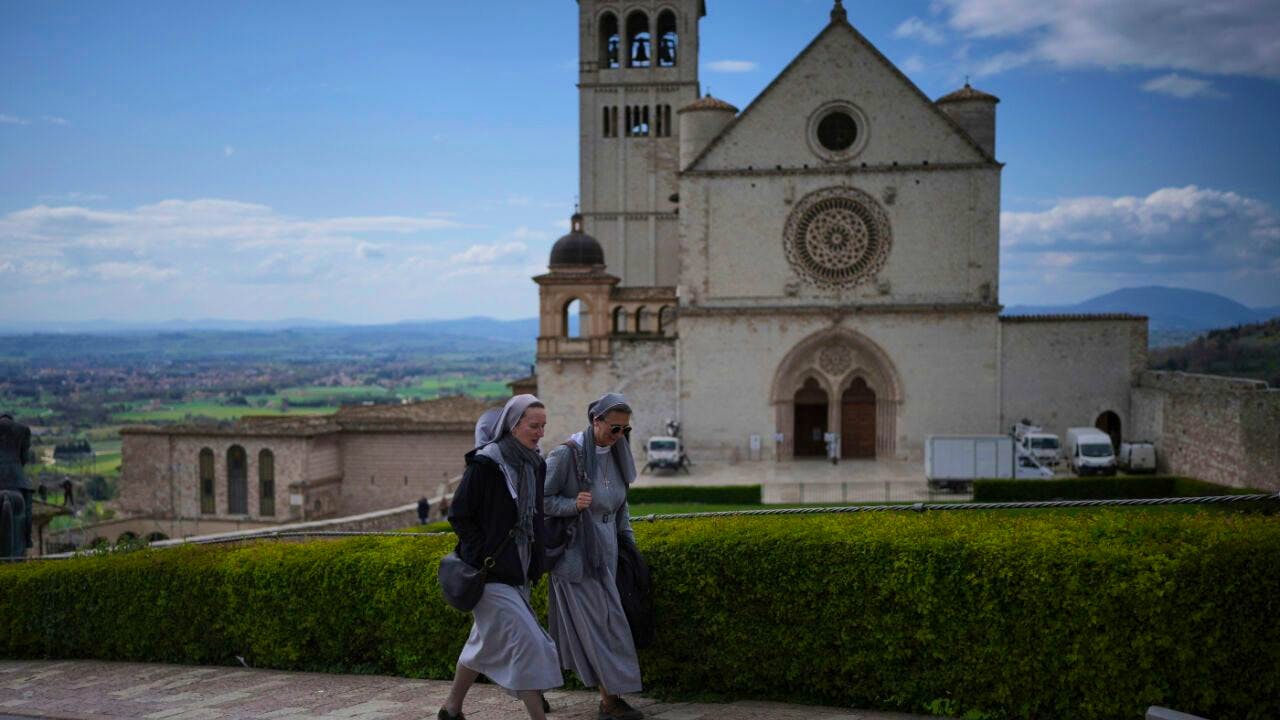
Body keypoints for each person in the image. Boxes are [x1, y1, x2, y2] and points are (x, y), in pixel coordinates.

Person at [440, 395, 561, 720]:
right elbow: (460, 515)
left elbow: (535, 518)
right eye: (533, 426)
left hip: (518, 570)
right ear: (513, 424)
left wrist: (538, 560)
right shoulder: (486, 464)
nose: (539, 432)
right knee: (530, 643)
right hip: (490, 574)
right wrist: (482, 556)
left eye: (543, 426)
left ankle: (451, 709)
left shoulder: (535, 463)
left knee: (481, 643)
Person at [543, 393, 645, 720]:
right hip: (576, 558)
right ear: (595, 421)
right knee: (602, 627)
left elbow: (620, 506)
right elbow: (539, 501)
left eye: (624, 431)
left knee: (601, 625)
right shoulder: (566, 455)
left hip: (608, 554)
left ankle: (533, 687)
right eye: (614, 429)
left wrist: (629, 546)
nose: (618, 436)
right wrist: (572, 505)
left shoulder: (616, 455)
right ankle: (609, 701)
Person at [0, 413, 33, 558]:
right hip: (17, 481)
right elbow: (23, 458)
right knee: (27, 512)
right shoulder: (23, 430)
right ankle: (28, 538)